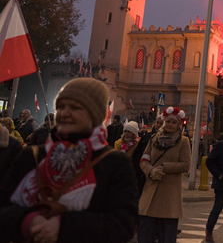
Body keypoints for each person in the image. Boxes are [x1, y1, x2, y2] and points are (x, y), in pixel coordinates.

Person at [0, 77, 138, 243]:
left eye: (74, 107)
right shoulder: (32, 156)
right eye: (60, 107)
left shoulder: (114, 163)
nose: (64, 113)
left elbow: (123, 225)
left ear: (94, 114)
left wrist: (63, 226)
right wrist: (27, 222)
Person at [138, 107, 191, 243]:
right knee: (144, 236)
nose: (170, 125)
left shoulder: (183, 141)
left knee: (166, 237)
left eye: (174, 123)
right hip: (150, 192)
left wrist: (164, 168)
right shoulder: (154, 139)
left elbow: (186, 165)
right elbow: (144, 159)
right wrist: (150, 170)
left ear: (179, 125)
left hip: (169, 198)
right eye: (168, 122)